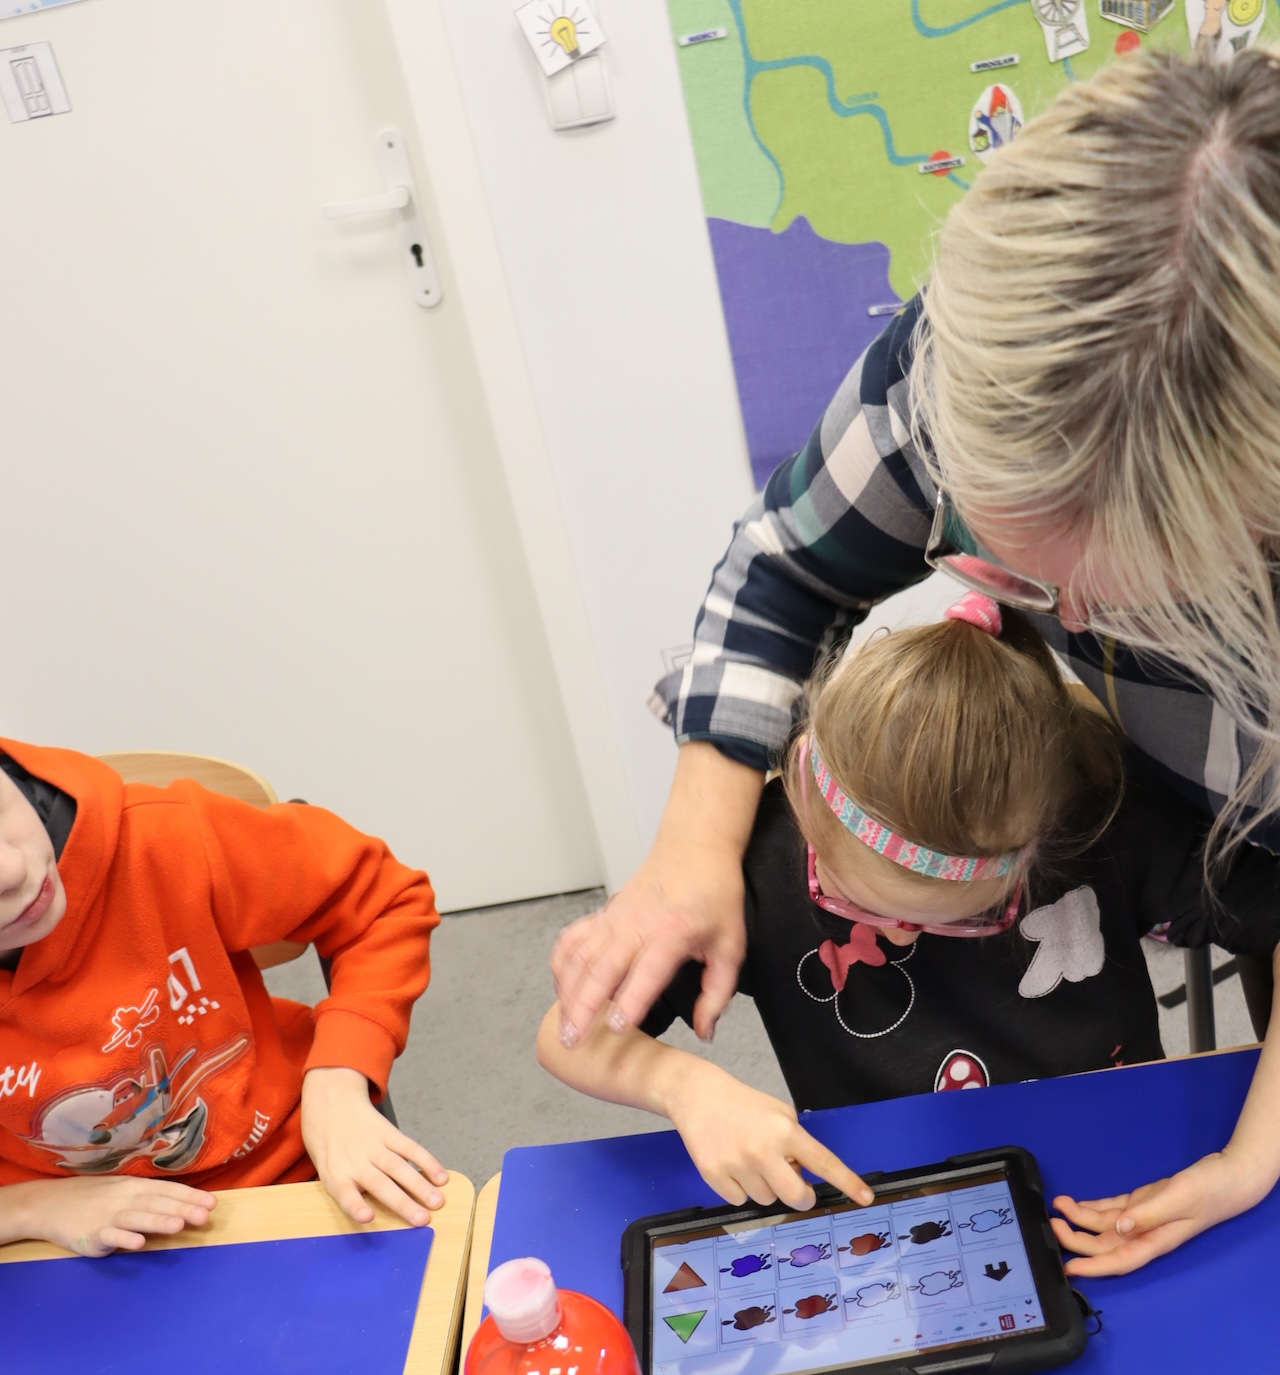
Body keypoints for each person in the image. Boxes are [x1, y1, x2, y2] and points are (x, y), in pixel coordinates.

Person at [552, 47, 1280, 1052]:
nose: (1071, 631)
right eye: (1010, 570)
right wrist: (693, 848)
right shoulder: (960, 369)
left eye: (1152, 598)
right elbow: (785, 572)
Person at [539, 597, 1280, 1278]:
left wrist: (1248, 1162)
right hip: (898, 1217)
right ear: (805, 794)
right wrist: (686, 1088)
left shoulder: (1104, 811)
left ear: (1034, 853)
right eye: (848, 900)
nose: (892, 934)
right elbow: (569, 1033)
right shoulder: (756, 864)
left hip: (1115, 1176)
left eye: (953, 919)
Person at [0, 738, 445, 1255]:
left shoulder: (166, 836)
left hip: (283, 1173)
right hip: (52, 1232)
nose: (12, 871)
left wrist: (339, 1079)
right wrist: (28, 1208)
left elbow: (381, 898)